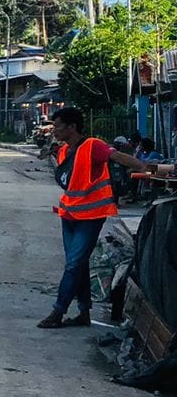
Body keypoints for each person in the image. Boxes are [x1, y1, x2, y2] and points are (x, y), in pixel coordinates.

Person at [39, 109, 173, 328]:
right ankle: (83, 312)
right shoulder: (64, 151)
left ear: (72, 127)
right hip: (69, 214)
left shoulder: (93, 146)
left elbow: (119, 157)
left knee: (73, 264)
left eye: (58, 126)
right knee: (78, 264)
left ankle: (58, 311)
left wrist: (147, 168)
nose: (54, 131)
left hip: (91, 216)